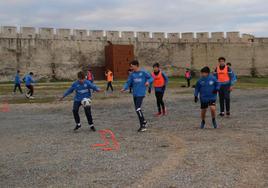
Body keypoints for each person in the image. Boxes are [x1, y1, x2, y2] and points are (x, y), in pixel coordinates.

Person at [121, 60, 154, 132]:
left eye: (132, 66)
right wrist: (124, 88)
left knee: (138, 108)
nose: (131, 68)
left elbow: (151, 78)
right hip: (135, 94)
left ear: (136, 65)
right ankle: (144, 121)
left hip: (141, 94)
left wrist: (148, 81)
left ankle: (143, 126)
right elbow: (128, 83)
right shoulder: (132, 74)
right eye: (130, 66)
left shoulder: (143, 72)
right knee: (137, 109)